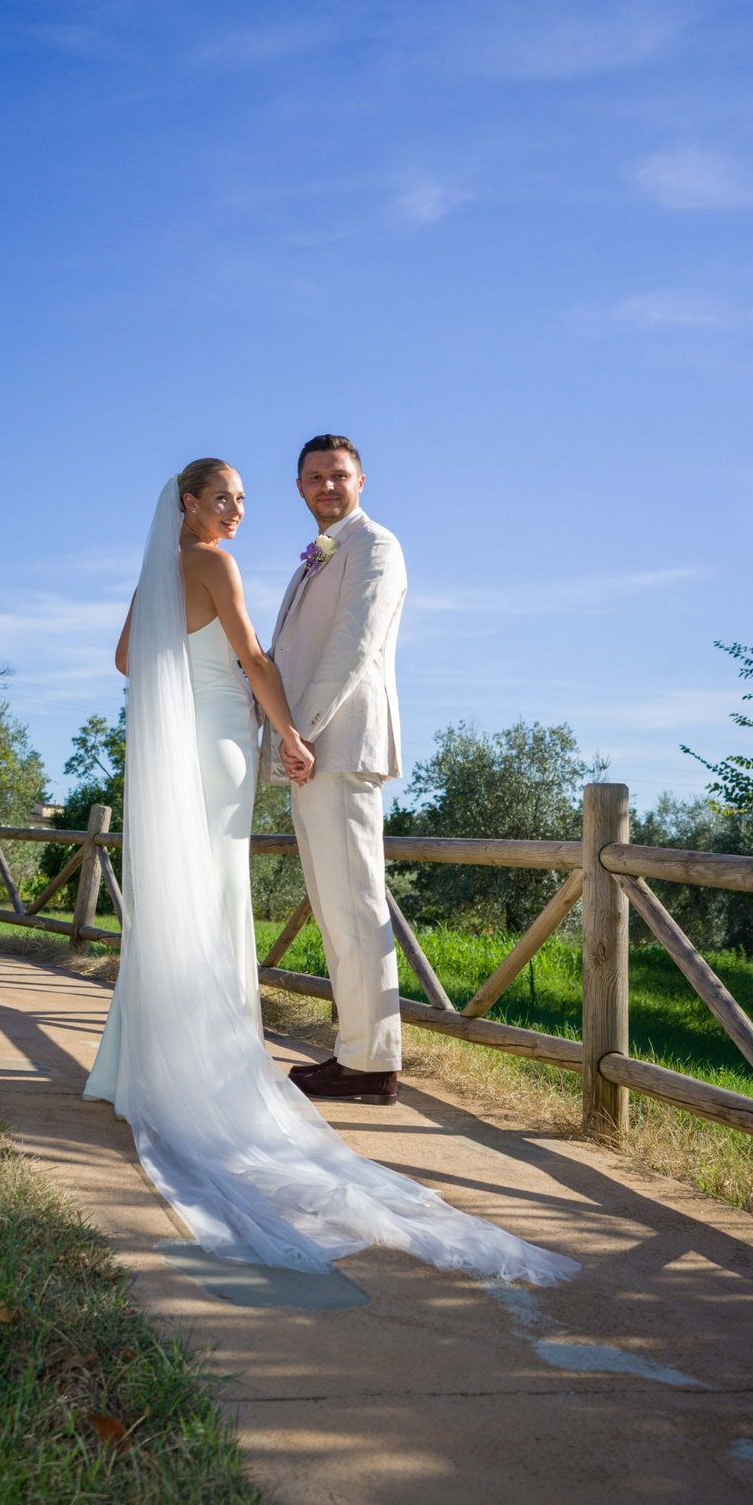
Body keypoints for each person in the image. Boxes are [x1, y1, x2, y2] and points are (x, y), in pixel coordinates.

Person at [84, 456, 574, 1284]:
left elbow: (130, 662)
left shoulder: (155, 577)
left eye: (244, 497)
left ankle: (150, 1063)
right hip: (231, 744)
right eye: (225, 498)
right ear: (191, 503)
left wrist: (191, 685)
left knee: (183, 900)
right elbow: (257, 658)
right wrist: (290, 730)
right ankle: (212, 1066)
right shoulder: (218, 563)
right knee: (215, 899)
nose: (239, 509)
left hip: (183, 748)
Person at [263, 431, 406, 1100]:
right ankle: (356, 1047)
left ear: (361, 481)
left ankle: (374, 1063)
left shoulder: (375, 546)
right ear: (299, 487)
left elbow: (353, 644)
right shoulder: (315, 557)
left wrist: (301, 732)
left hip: (339, 745)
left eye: (338, 475)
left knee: (354, 900)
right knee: (332, 904)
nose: (326, 485)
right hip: (309, 749)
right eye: (315, 476)